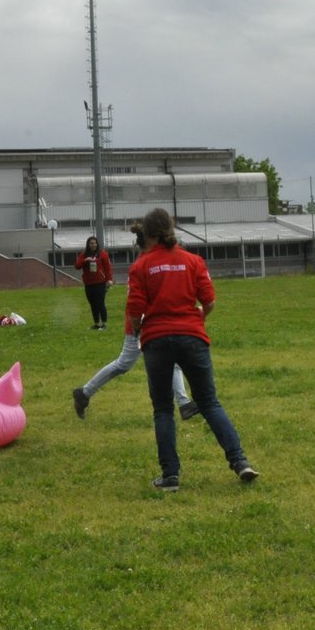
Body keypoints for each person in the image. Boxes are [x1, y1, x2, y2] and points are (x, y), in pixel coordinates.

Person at [125, 207, 257, 491]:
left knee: (162, 409)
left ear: (146, 235)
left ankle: (170, 476)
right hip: (192, 337)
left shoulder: (140, 266)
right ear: (170, 230)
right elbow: (209, 301)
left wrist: (141, 329)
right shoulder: (193, 261)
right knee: (209, 402)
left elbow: (135, 311)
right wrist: (197, 320)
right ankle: (240, 462)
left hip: (157, 341)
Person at [73, 222, 198, 420]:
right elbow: (137, 302)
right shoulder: (143, 265)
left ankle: (184, 404)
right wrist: (140, 325)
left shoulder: (149, 261)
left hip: (150, 324)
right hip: (140, 326)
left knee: (171, 361)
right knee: (123, 364)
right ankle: (84, 393)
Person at [76, 235, 113, 329]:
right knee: (92, 303)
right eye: (91, 243)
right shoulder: (84, 254)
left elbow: (108, 267)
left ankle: (104, 324)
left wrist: (109, 279)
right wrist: (85, 260)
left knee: (100, 302)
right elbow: (77, 266)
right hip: (88, 283)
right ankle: (96, 323)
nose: (94, 245)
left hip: (100, 282)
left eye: (95, 243)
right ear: (88, 244)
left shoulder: (102, 253)